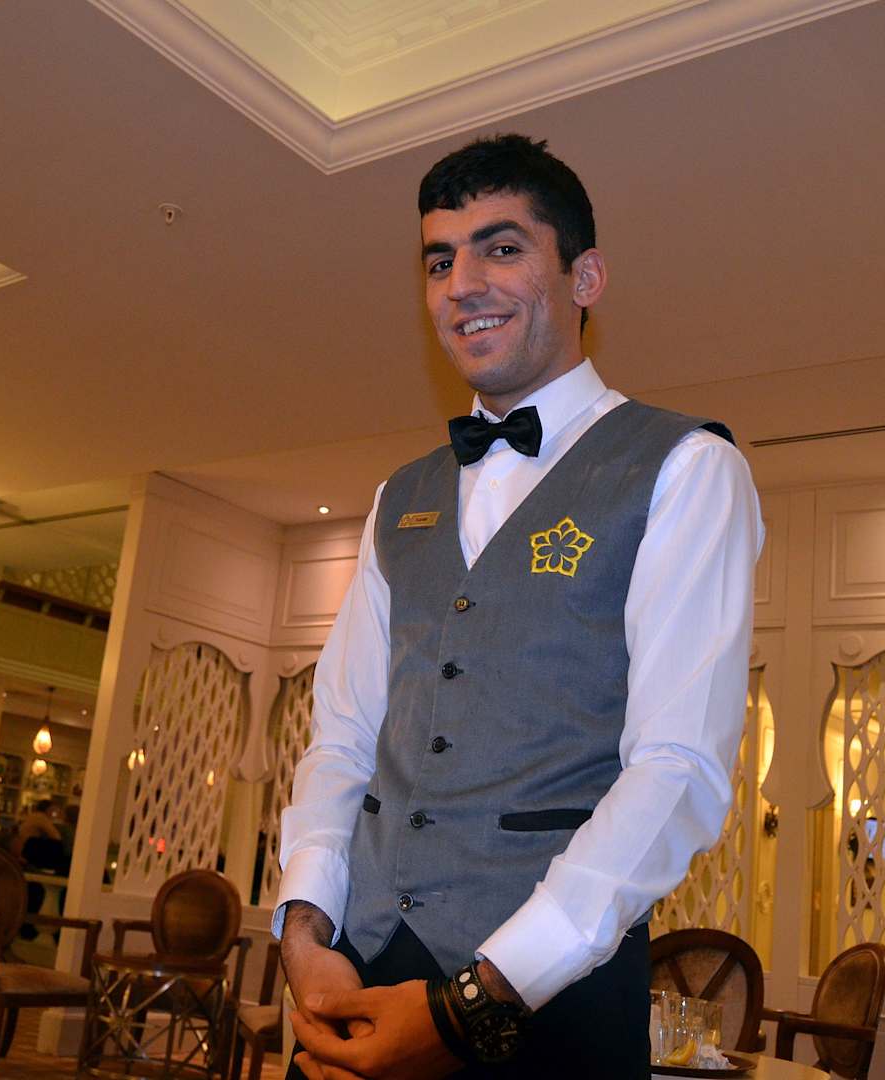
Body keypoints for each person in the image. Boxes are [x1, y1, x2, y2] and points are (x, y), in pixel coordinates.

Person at [274, 134, 764, 1079]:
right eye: (438, 262)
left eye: (501, 249)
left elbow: (676, 768)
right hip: (352, 980)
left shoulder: (686, 467)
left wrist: (479, 999)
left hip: (550, 1001)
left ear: (585, 277)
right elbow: (342, 739)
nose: (462, 285)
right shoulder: (398, 495)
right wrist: (304, 933)